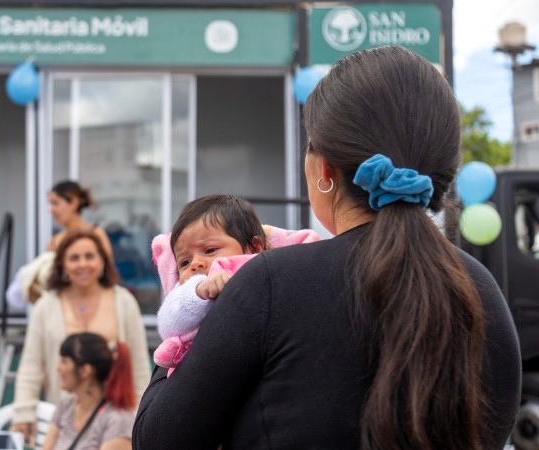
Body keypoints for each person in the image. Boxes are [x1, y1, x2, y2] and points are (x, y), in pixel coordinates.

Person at [133, 45, 521, 449]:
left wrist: (185, 314)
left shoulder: (267, 283)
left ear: (324, 170)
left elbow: (158, 439)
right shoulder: (480, 289)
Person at [12, 230, 150, 447]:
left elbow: (139, 366)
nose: (82, 264)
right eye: (74, 258)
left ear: (103, 261)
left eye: (90, 256)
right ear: (62, 265)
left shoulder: (124, 302)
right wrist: (23, 413)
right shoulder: (46, 306)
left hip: (114, 418)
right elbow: (31, 364)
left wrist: (141, 416)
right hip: (65, 417)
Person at [151, 194, 318, 375]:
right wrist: (198, 291)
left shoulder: (275, 276)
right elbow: (167, 326)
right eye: (184, 262)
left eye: (210, 250)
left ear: (255, 248)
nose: (195, 264)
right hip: (201, 378)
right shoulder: (187, 291)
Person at [6, 180, 113, 311]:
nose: (51, 209)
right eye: (50, 204)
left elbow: (108, 271)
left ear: (73, 203)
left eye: (55, 203)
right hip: (63, 306)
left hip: (95, 304)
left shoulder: (96, 234)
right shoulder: (55, 241)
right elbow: (50, 277)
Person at [42, 332, 136, 450]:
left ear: (85, 371)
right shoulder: (66, 404)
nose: (58, 367)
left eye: (64, 361)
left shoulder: (118, 420)